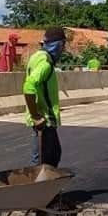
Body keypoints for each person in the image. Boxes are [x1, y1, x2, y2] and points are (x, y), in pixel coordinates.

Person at [23, 27, 66, 166]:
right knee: (44, 160)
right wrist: (35, 116)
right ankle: (39, 180)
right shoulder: (46, 63)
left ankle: (46, 180)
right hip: (44, 119)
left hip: (43, 118)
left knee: (52, 155)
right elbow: (28, 86)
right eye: (63, 45)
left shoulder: (36, 56)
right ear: (58, 45)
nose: (63, 50)